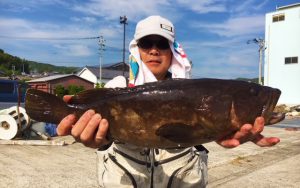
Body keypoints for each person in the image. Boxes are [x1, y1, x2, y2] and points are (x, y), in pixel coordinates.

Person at [57, 15, 280, 188]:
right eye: (146, 43)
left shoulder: (194, 89)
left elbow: (201, 130)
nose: (154, 50)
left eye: (162, 44)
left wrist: (221, 131)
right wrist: (96, 140)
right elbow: (101, 136)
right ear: (137, 49)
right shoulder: (117, 85)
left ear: (173, 51)